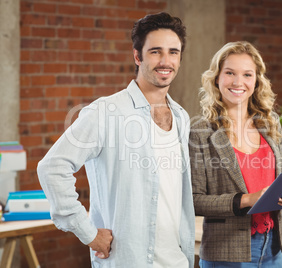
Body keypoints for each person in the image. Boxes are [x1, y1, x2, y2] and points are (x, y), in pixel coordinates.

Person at [37, 12, 195, 268]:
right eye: (155, 51)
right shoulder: (106, 112)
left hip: (177, 260)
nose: (166, 61)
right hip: (128, 260)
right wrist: (88, 233)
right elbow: (52, 168)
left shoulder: (181, 116)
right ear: (137, 55)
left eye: (173, 52)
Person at [189, 41, 282, 267]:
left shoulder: (270, 125)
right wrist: (246, 200)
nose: (238, 82)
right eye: (230, 73)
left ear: (257, 80)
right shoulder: (201, 132)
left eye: (247, 74)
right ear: (217, 78)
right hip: (226, 254)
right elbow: (193, 201)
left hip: (273, 249)